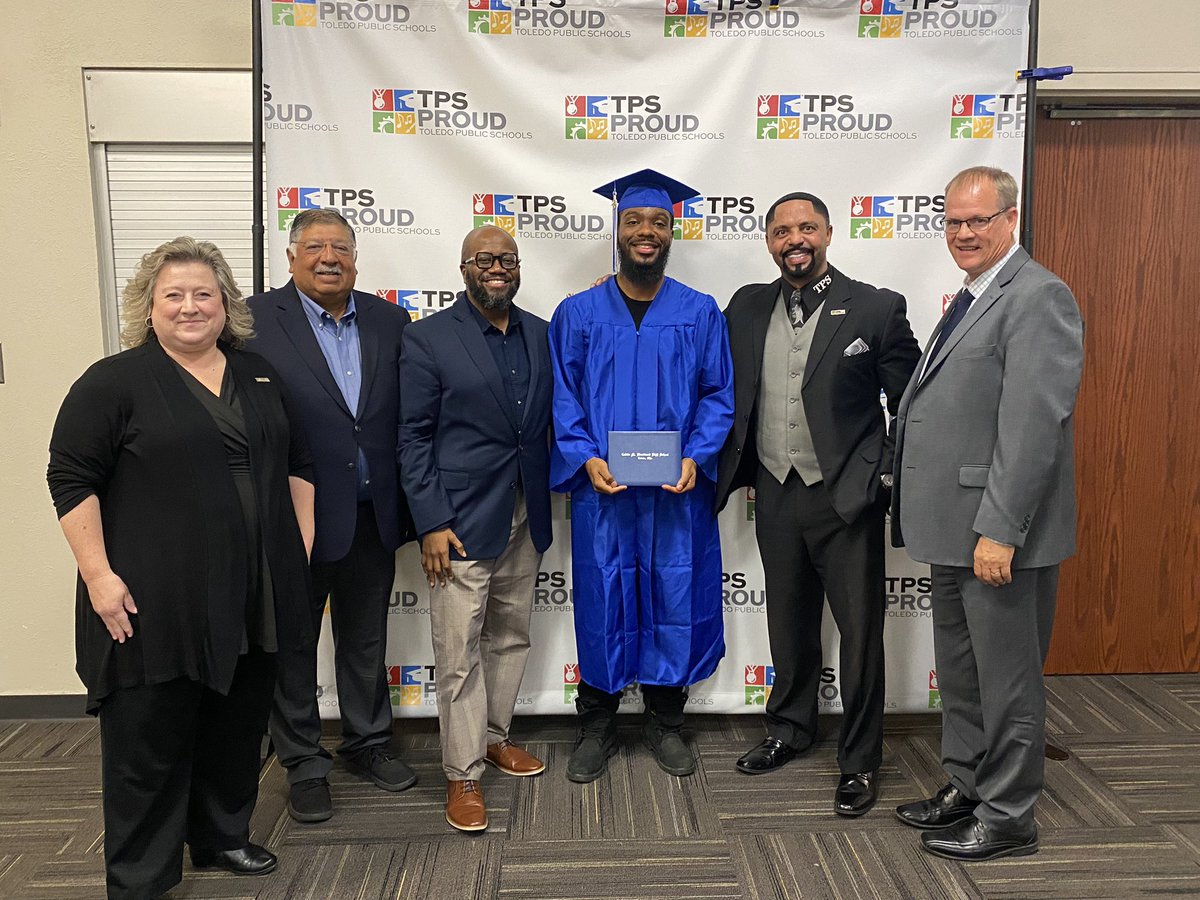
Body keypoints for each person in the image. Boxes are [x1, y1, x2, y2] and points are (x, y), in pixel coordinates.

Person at [47, 237, 315, 898]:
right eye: (175, 295)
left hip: (255, 592)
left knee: (237, 724)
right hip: (153, 597)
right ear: (149, 305)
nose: (191, 307)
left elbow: (298, 463)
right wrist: (98, 576)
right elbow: (71, 477)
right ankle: (142, 877)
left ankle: (221, 836)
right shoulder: (114, 381)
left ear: (225, 303)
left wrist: (296, 550)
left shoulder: (258, 375)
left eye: (204, 294)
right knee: (150, 740)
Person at [891, 166, 1084, 860]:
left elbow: (1033, 428)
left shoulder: (1038, 296)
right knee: (964, 675)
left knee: (1007, 681)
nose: (964, 233)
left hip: (997, 536)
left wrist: (1001, 529)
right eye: (953, 222)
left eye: (978, 220)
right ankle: (969, 785)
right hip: (951, 530)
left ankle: (1008, 816)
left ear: (1011, 217)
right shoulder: (974, 295)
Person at [715, 192, 921, 816]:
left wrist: (879, 478)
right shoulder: (746, 307)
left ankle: (859, 762)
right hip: (775, 492)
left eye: (806, 227)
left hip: (846, 501)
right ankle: (788, 728)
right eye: (781, 231)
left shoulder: (877, 308)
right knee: (788, 623)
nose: (794, 238)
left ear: (828, 232)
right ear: (769, 241)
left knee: (859, 637)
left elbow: (911, 406)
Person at [549, 168, 735, 783]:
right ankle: (596, 722)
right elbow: (564, 398)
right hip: (604, 491)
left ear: (672, 231)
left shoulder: (699, 312)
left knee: (673, 594)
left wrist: (696, 456)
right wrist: (584, 455)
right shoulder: (577, 313)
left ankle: (665, 720)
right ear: (618, 228)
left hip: (676, 493)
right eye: (635, 221)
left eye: (658, 222)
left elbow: (717, 394)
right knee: (603, 597)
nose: (646, 232)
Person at [246, 209, 416, 824]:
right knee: (292, 643)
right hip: (292, 519)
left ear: (355, 257)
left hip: (372, 513)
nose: (328, 257)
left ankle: (367, 742)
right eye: (314, 247)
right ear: (290, 258)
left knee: (366, 637)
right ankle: (302, 762)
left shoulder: (390, 320)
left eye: (340, 247)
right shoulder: (252, 321)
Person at [398, 225, 553, 831]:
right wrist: (431, 519)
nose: (498, 268)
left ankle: (494, 736)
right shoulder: (428, 337)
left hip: (525, 510)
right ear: (463, 267)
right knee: (458, 651)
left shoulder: (541, 332)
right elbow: (411, 436)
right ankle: (462, 775)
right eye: (485, 259)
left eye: (507, 260)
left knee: (510, 637)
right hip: (458, 522)